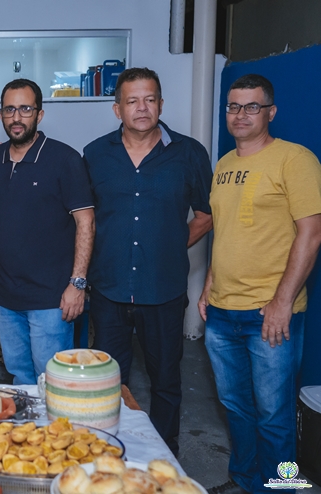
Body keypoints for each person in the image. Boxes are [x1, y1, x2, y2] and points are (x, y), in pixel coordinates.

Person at [198, 74, 321, 494]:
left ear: (271, 111)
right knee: (235, 407)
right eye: (233, 106)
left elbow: (311, 234)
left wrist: (282, 302)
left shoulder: (295, 159)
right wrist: (208, 285)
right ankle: (245, 479)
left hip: (269, 313)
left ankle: (282, 486)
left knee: (274, 415)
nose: (241, 114)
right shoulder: (224, 165)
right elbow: (226, 232)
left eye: (252, 106)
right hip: (221, 311)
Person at [83, 67, 213, 455]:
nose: (142, 108)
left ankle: (163, 455)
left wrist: (169, 244)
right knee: (108, 381)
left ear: (160, 104)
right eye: (132, 101)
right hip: (109, 289)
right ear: (117, 109)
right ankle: (111, 450)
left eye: (150, 99)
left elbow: (206, 215)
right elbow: (85, 219)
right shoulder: (95, 154)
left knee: (166, 380)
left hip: (163, 288)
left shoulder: (189, 153)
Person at [0, 79, 95, 385]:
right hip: (6, 296)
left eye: (25, 109)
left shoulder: (65, 159)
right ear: (1, 115)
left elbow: (86, 222)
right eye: (9, 109)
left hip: (51, 298)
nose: (16, 117)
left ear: (39, 114)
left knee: (53, 382)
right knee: (20, 379)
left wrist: (77, 284)